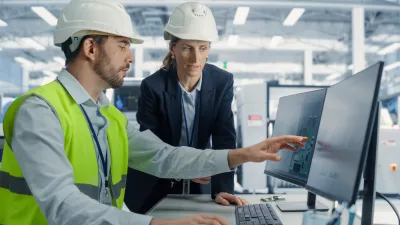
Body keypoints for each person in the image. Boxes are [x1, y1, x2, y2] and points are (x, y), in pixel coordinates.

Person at [0, 0, 307, 225]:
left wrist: (245, 154)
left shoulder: (107, 116)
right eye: (122, 45)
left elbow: (165, 157)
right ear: (91, 48)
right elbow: (62, 204)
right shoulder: (39, 111)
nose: (131, 57)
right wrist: (156, 224)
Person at [125, 2, 244, 214]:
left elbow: (224, 138)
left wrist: (222, 189)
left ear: (209, 50)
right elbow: (151, 145)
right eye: (187, 48)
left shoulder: (222, 82)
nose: (196, 58)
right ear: (173, 49)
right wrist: (183, 169)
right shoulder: (153, 86)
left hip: (201, 180)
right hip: (155, 184)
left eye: (202, 48)